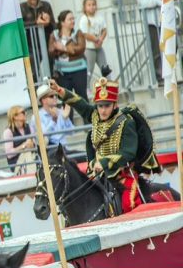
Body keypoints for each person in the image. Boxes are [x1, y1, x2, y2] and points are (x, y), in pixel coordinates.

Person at [49, 77, 179, 212]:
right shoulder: (94, 115)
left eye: (107, 105)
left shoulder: (126, 122)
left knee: (129, 204)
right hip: (100, 175)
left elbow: (128, 152)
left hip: (123, 174)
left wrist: (104, 163)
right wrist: (59, 90)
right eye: (100, 106)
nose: (103, 110)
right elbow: (79, 103)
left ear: (115, 104)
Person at [49, 10, 88, 106]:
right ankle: (67, 120)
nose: (73, 21)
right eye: (70, 19)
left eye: (73, 19)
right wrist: (57, 49)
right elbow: (51, 51)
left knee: (82, 97)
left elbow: (81, 48)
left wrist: (64, 48)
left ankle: (89, 120)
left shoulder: (78, 33)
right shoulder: (54, 35)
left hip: (79, 69)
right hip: (62, 72)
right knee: (65, 100)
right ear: (62, 22)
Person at [21, 0, 54, 81]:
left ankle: (50, 93)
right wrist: (36, 23)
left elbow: (53, 23)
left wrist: (47, 22)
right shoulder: (22, 7)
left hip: (46, 43)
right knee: (33, 73)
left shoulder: (46, 5)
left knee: (49, 71)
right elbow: (20, 24)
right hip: (30, 45)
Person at [78, 0, 112, 84]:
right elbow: (85, 34)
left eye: (93, 5)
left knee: (104, 67)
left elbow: (104, 30)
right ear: (85, 7)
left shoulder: (99, 17)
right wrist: (95, 39)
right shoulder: (84, 19)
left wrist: (101, 39)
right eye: (89, 5)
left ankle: (110, 85)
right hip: (89, 48)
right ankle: (86, 88)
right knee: (89, 69)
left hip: (99, 47)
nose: (92, 7)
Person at [36, 82, 74, 148]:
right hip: (50, 152)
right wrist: (53, 121)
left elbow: (71, 132)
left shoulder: (60, 111)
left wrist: (66, 119)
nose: (55, 98)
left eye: (55, 95)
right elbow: (43, 137)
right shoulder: (37, 117)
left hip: (65, 150)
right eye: (51, 96)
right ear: (43, 100)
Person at [2, 105, 35, 174]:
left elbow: (34, 143)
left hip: (31, 159)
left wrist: (32, 144)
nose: (25, 114)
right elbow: (9, 154)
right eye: (22, 112)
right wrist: (24, 145)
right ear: (15, 116)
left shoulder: (29, 127)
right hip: (17, 163)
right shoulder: (8, 132)